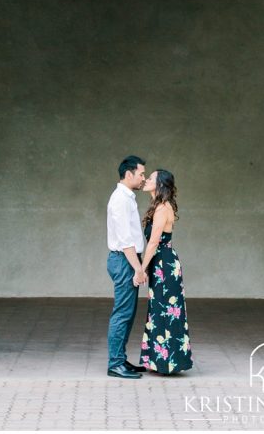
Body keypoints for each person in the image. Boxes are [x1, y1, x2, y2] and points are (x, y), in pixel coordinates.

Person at [137, 169, 193, 374]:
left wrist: (141, 269)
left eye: (151, 178)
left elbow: (153, 242)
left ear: (159, 184)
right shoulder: (158, 206)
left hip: (164, 264)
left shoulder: (162, 208)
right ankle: (159, 361)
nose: (146, 180)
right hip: (160, 263)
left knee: (166, 311)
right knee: (159, 311)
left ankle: (168, 363)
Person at [106, 154, 148, 379]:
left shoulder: (127, 197)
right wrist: (138, 269)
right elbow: (125, 240)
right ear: (128, 174)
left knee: (128, 313)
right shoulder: (120, 199)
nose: (143, 178)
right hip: (124, 260)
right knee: (122, 313)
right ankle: (115, 364)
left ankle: (120, 360)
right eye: (141, 174)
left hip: (127, 260)